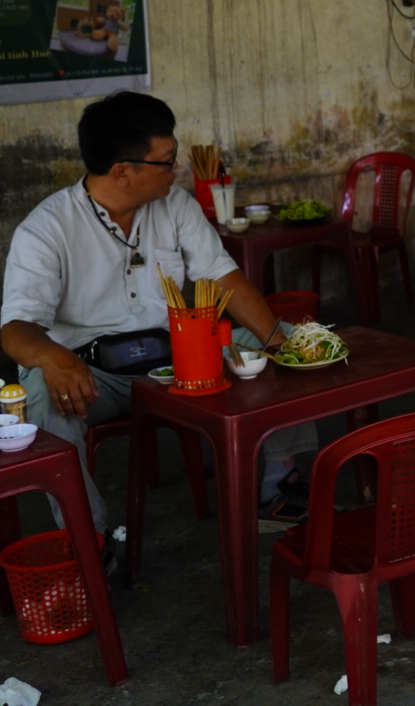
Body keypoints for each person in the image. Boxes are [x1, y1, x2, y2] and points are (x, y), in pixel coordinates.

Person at [0, 92, 317, 539]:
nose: (177, 170)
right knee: (41, 395)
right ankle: (86, 539)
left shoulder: (176, 206)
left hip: (184, 356)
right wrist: (51, 357)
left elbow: (223, 278)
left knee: (288, 343)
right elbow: (15, 327)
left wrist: (276, 341)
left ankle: (278, 483)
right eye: (166, 161)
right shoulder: (46, 229)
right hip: (94, 374)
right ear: (123, 172)